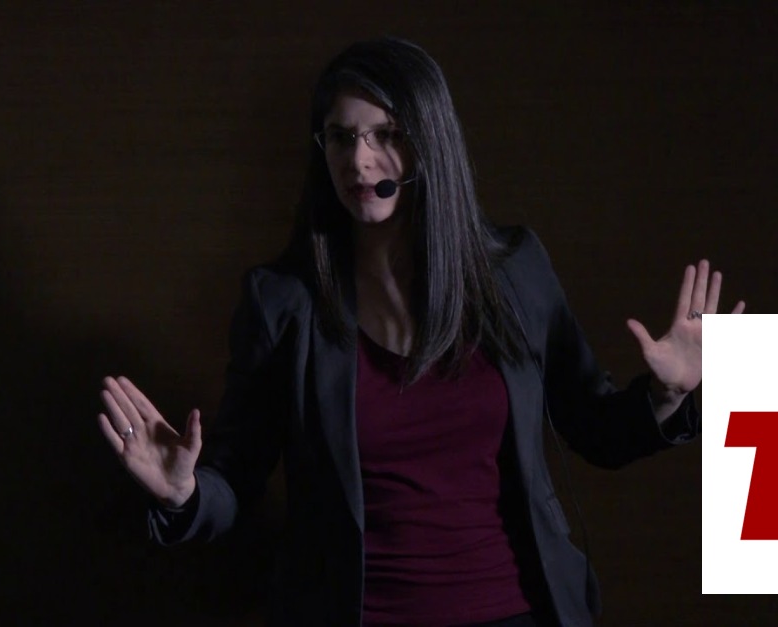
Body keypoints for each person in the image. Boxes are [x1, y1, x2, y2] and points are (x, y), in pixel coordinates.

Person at [98, 37, 744, 627]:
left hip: (516, 611)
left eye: (386, 134)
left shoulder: (515, 272)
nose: (359, 160)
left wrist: (666, 396)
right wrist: (184, 494)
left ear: (429, 141)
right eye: (340, 137)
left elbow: (595, 427)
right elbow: (236, 475)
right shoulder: (283, 302)